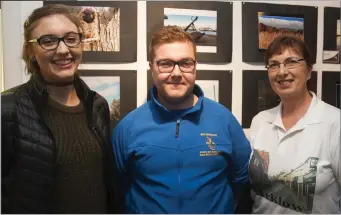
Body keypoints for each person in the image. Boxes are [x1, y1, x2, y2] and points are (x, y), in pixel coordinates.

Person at [112, 26, 252, 214]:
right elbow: (118, 188)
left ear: (195, 66)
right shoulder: (128, 128)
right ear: (151, 67)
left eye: (185, 63)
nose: (176, 73)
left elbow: (241, 178)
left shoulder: (224, 120)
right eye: (166, 63)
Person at [1, 4, 120, 213]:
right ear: (30, 51)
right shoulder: (7, 108)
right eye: (48, 41)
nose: (63, 49)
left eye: (71, 38)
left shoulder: (97, 105)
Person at [249, 36, 340, 214]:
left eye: (291, 62)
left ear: (309, 70)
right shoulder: (260, 121)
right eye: (274, 64)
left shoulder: (335, 123)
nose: (282, 72)